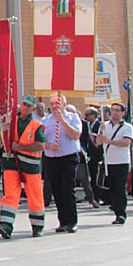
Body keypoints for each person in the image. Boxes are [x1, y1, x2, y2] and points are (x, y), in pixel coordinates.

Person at [0, 95, 46, 239]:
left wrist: (20, 147)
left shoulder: (36, 125)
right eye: (24, 104)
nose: (26, 107)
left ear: (33, 108)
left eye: (29, 105)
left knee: (35, 196)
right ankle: (5, 225)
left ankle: (37, 226)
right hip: (11, 163)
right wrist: (2, 128)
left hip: (31, 165)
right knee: (10, 195)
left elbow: (41, 145)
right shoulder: (10, 122)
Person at [41, 96, 83, 233]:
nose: (55, 106)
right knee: (57, 190)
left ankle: (72, 221)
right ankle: (63, 221)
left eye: (58, 103)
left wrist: (62, 121)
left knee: (67, 188)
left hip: (68, 157)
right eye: (52, 103)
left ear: (64, 104)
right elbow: (39, 139)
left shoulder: (73, 117)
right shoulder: (45, 120)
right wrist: (48, 146)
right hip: (51, 158)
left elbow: (75, 135)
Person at [96, 103, 133, 224]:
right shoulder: (105, 125)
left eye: (118, 110)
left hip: (122, 161)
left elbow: (126, 143)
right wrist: (101, 132)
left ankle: (121, 214)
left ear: (123, 113)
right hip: (109, 161)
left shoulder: (127, 127)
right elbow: (98, 142)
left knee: (120, 188)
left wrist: (109, 141)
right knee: (112, 188)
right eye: (113, 110)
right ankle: (116, 210)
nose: (115, 113)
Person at [76, 108, 101, 208]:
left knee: (85, 179)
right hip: (69, 155)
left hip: (83, 155)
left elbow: (89, 140)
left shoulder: (85, 125)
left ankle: (92, 198)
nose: (85, 117)